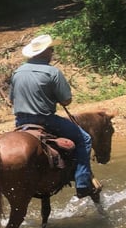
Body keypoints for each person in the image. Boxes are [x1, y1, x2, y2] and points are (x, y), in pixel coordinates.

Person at [9, 34, 101, 199]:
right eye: (51, 49)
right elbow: (66, 100)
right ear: (44, 52)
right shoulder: (52, 72)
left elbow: (11, 100)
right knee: (85, 139)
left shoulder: (17, 72)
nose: (53, 52)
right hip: (46, 120)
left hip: (20, 122)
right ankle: (82, 183)